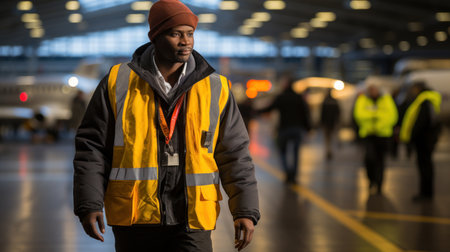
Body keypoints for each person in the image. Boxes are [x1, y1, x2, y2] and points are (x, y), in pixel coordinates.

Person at [73, 1, 260, 251]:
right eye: (176, 34)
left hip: (192, 219)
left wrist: (245, 210)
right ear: (156, 37)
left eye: (190, 33)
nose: (186, 41)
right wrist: (90, 203)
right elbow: (92, 148)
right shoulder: (118, 82)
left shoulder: (216, 88)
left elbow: (235, 154)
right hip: (135, 218)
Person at [258, 77, 311, 184]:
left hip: (284, 129)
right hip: (297, 129)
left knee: (282, 152)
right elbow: (305, 113)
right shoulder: (298, 97)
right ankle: (294, 176)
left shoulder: (281, 97)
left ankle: (287, 173)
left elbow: (270, 108)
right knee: (296, 153)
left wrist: (256, 111)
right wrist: (308, 127)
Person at [400, 81, 441, 201]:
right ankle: (426, 193)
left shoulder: (424, 101)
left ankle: (426, 194)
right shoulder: (427, 99)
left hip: (424, 140)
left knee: (425, 167)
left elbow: (421, 122)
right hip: (426, 139)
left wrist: (413, 136)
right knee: (425, 166)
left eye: (414, 88)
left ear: (419, 88)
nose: (412, 90)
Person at [353, 85, 398, 194]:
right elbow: (359, 115)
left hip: (382, 135)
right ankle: (371, 180)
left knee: (380, 161)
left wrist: (374, 118)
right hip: (368, 135)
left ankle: (379, 185)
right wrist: (376, 115)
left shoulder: (386, 99)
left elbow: (392, 116)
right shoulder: (362, 99)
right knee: (369, 159)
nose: (373, 91)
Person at [320, 89, 340, 160]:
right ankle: (330, 151)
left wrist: (321, 122)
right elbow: (338, 112)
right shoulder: (334, 101)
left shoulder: (325, 101)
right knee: (332, 137)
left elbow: (322, 113)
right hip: (333, 122)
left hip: (326, 123)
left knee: (327, 139)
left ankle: (328, 150)